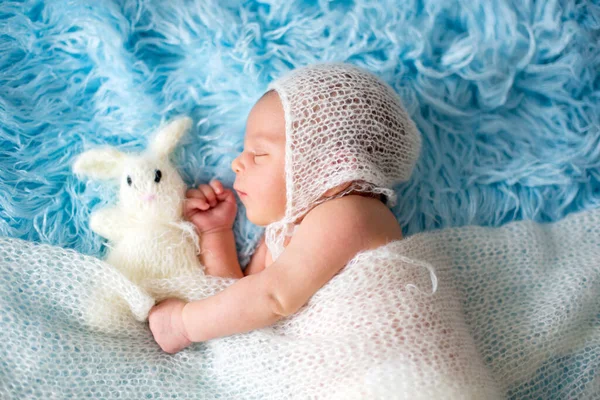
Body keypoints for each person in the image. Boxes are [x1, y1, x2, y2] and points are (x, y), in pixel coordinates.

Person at [148, 63, 421, 354]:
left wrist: (183, 323)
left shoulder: (353, 214)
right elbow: (240, 308)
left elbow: (272, 297)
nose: (237, 163)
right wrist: (216, 232)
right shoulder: (282, 234)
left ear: (334, 165)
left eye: (259, 153)